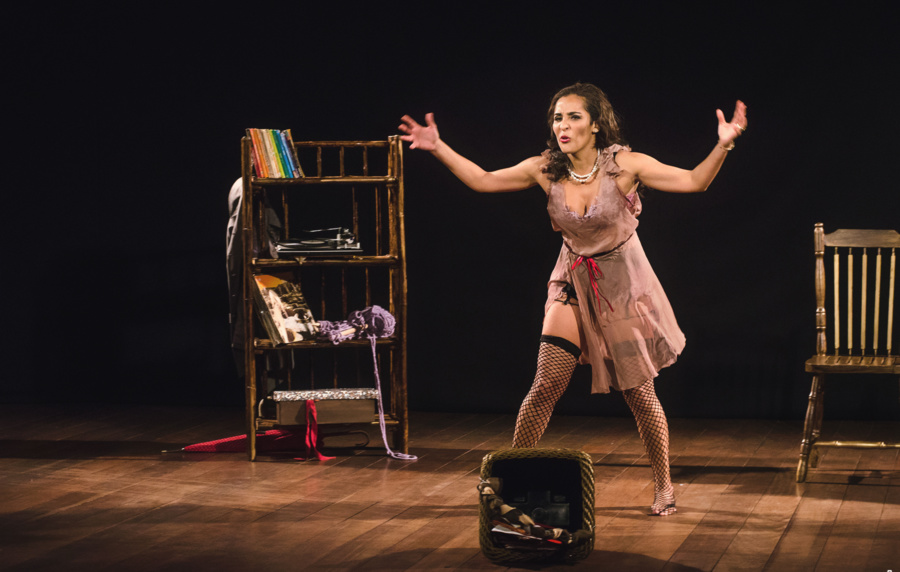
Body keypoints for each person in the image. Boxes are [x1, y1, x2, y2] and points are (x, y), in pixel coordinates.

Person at [400, 83, 746, 516]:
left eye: (574, 117)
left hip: (623, 288)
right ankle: (510, 478)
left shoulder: (625, 166)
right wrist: (437, 147)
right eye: (557, 118)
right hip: (570, 280)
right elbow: (483, 180)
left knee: (640, 396)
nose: (562, 126)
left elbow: (695, 181)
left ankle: (664, 486)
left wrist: (723, 144)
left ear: (596, 124)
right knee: (546, 382)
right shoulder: (545, 169)